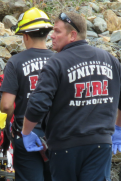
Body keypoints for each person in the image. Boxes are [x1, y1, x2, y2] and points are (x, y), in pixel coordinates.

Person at [21, 11, 121, 181]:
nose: (52, 35)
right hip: (101, 145)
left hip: (65, 146)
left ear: (72, 35)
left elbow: (38, 104)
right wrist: (117, 128)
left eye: (57, 31)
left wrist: (25, 132)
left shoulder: (56, 62)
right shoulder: (110, 60)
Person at [0, 7, 54, 181]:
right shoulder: (60, 60)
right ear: (46, 34)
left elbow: (7, 105)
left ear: (25, 36)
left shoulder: (16, 62)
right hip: (57, 134)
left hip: (26, 134)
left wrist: (7, 130)